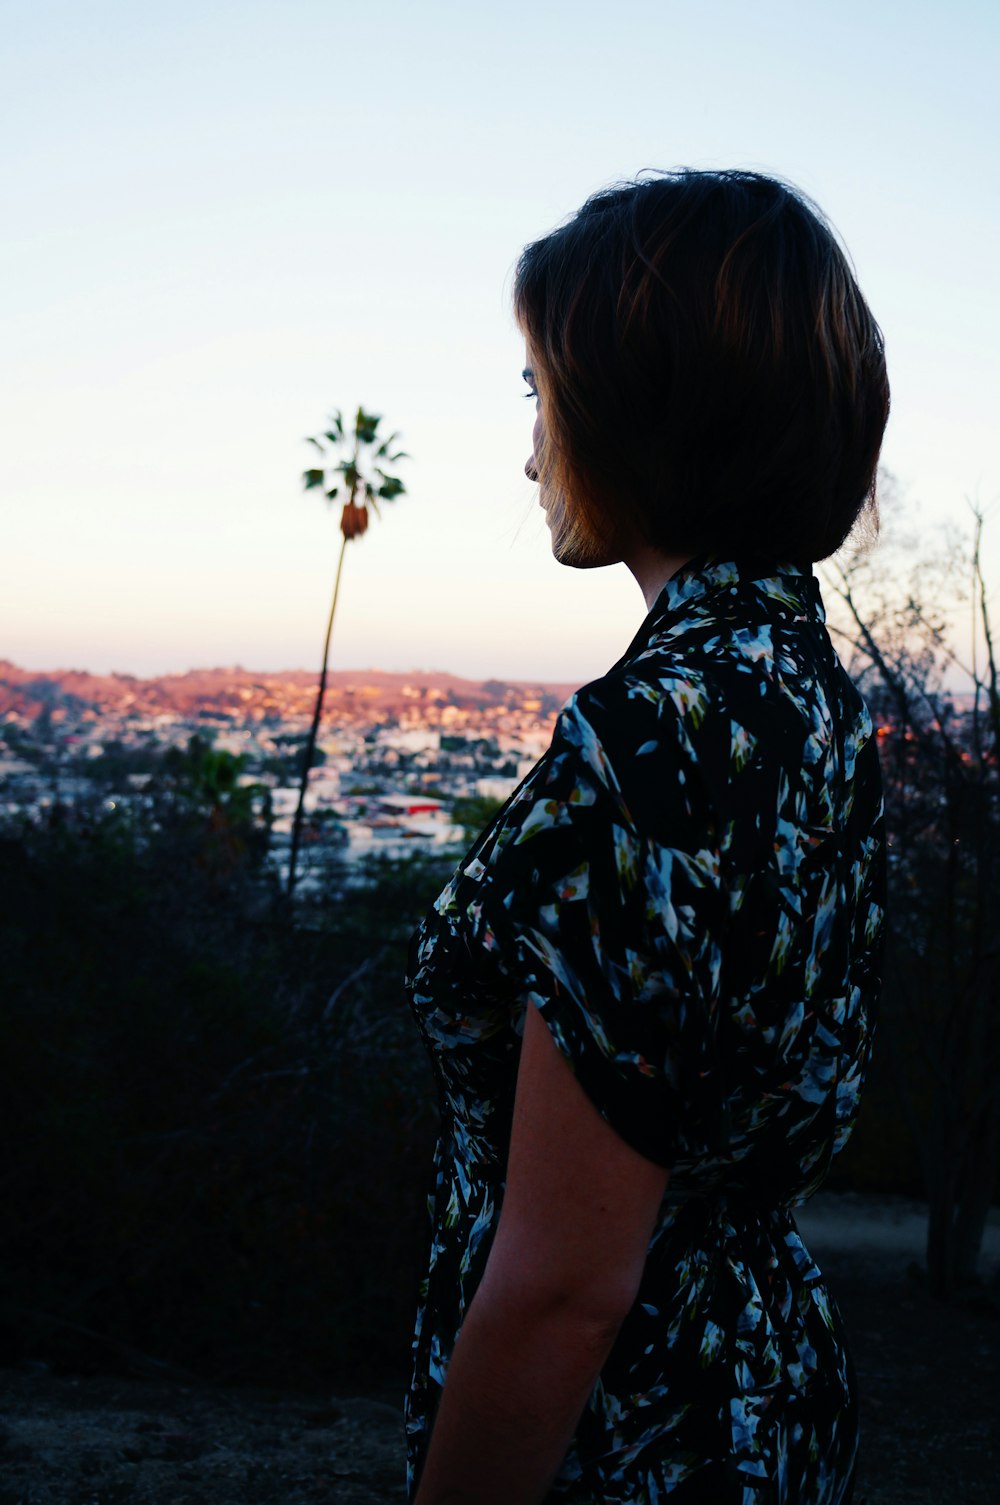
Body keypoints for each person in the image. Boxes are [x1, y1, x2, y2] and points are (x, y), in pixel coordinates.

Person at [405, 169, 889, 1505]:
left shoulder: (648, 744)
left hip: (626, 1445)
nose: (528, 450)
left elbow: (565, 1286)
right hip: (767, 1408)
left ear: (636, 403)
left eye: (536, 395)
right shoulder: (815, 705)